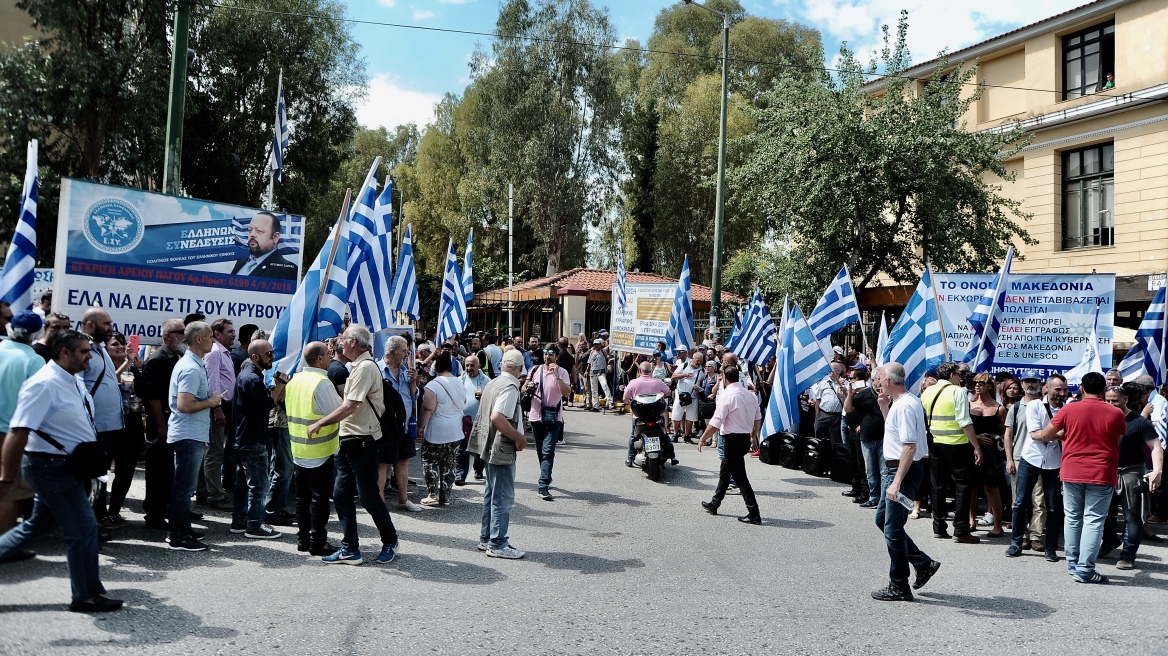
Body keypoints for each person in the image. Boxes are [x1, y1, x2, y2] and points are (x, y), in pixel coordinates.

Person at [0, 329, 124, 612]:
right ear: (63, 352)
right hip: (50, 467)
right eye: (83, 352)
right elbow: (18, 431)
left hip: (68, 466)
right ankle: (86, 596)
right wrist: (6, 477)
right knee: (82, 530)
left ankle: (89, 590)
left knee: (37, 526)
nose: (89, 357)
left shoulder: (72, 379)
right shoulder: (44, 383)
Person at [307, 325, 400, 565]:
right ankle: (350, 548)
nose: (339, 342)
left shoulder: (365, 367)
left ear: (353, 343)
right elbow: (347, 403)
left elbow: (350, 406)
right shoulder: (357, 367)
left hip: (363, 441)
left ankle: (390, 539)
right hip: (349, 440)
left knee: (368, 497)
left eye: (343, 338)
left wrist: (320, 423)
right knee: (340, 495)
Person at [1032, 372, 1125, 583]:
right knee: (1093, 520)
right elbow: (1117, 440)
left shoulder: (1069, 409)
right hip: (1101, 471)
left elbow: (1046, 434)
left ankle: (1073, 564)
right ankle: (1085, 568)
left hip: (1073, 470)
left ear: (1082, 388)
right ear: (1104, 390)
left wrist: (1067, 434)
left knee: (1073, 517)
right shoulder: (1116, 413)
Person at [871, 363, 940, 602]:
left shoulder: (906, 405)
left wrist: (897, 482)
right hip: (895, 470)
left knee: (892, 528)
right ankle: (922, 563)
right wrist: (884, 408)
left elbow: (909, 446)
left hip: (902, 472)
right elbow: (896, 434)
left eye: (880, 377)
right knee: (883, 520)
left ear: (888, 380)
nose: (878, 381)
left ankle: (899, 584)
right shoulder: (901, 404)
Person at [167, 322, 223, 552]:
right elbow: (184, 404)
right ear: (198, 339)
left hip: (192, 434)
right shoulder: (190, 367)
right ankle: (178, 536)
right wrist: (210, 402)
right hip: (188, 435)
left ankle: (183, 529)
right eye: (211, 337)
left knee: (185, 487)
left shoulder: (194, 364)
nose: (214, 340)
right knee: (183, 488)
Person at [467, 349, 528, 559]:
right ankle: (498, 543)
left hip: (488, 443)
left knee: (491, 494)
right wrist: (519, 437)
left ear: (502, 365)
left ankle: (487, 538)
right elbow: (497, 417)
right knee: (502, 497)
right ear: (520, 369)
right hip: (500, 447)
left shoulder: (493, 382)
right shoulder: (511, 386)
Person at [285, 342, 341, 557]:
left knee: (302, 498)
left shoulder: (294, 380)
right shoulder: (322, 382)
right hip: (320, 450)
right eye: (328, 354)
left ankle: (302, 539)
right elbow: (336, 411)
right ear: (319, 358)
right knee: (319, 498)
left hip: (299, 448)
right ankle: (318, 541)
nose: (330, 358)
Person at [1006, 374, 1068, 561]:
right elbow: (1035, 435)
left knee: (1053, 507)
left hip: (1054, 462)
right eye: (1057, 389)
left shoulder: (1068, 409)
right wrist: (1061, 435)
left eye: (1064, 390)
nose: (1061, 393)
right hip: (1030, 458)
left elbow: (1050, 434)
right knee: (1020, 502)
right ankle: (1016, 543)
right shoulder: (1035, 406)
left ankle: (1050, 548)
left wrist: (1052, 434)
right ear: (1047, 388)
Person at [1102, 383, 1163, 569]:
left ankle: (1127, 555)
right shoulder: (1102, 418)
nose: (1111, 404)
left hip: (1132, 472)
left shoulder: (1140, 422)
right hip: (1106, 470)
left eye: (1115, 401)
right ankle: (1111, 540)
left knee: (1132, 517)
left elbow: (1155, 447)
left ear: (1126, 399)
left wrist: (1157, 472)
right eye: (1107, 400)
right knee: (1097, 513)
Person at [921, 362, 983, 543]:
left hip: (936, 443)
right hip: (958, 444)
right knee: (963, 486)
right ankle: (961, 530)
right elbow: (964, 421)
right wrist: (976, 446)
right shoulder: (958, 391)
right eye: (958, 373)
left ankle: (939, 527)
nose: (961, 376)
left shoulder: (928, 391)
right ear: (951, 375)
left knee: (938, 486)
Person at [230, 339, 281, 540]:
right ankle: (254, 525)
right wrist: (278, 388)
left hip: (244, 437)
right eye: (268, 354)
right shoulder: (252, 378)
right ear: (254, 356)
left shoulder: (249, 376)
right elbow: (265, 405)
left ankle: (240, 521)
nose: (272, 357)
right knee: (258, 484)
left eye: (272, 353)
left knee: (243, 483)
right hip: (252, 438)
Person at [698, 365, 762, 524]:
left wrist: (702, 438)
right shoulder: (750, 395)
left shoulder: (727, 395)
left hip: (732, 440)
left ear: (725, 379)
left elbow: (716, 422)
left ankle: (754, 512)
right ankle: (715, 503)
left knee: (740, 478)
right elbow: (757, 417)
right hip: (743, 438)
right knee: (725, 473)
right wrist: (754, 435)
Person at [93, 331, 145, 530]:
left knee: (125, 471)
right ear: (105, 349)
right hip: (107, 426)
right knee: (102, 471)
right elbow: (109, 383)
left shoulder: (133, 367)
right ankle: (100, 514)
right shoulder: (103, 367)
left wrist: (138, 399)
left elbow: (142, 389)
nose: (121, 347)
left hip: (129, 425)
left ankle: (114, 511)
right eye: (115, 344)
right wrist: (127, 363)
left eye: (123, 344)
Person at [0, 311, 44, 538]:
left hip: (10, 431)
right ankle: (4, 545)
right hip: (12, 434)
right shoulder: (34, 360)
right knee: (11, 492)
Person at [141, 319, 185, 531]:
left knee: (170, 471)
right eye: (180, 332)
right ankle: (154, 513)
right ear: (167, 335)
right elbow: (153, 397)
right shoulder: (157, 360)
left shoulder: (179, 358)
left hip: (176, 422)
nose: (184, 336)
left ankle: (167, 508)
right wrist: (161, 425)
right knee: (158, 470)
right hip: (162, 422)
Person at [418, 351, 466, 507]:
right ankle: (445, 496)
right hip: (455, 429)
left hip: (437, 430)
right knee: (449, 463)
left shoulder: (433, 385)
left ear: (436, 366)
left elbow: (427, 409)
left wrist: (420, 426)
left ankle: (433, 494)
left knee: (429, 460)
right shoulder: (460, 382)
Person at [381, 335, 423, 512]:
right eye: (404, 351)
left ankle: (403, 500)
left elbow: (413, 398)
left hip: (404, 425)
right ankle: (379, 502)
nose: (407, 355)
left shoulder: (407, 371)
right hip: (385, 426)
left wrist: (414, 383)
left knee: (403, 461)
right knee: (382, 463)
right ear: (392, 352)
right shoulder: (377, 370)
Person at [1003, 376, 1046, 552]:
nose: (1030, 384)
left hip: (1042, 459)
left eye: (1034, 381)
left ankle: (1035, 536)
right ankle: (1021, 536)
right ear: (1022, 384)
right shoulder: (1016, 407)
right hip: (1020, 458)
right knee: (1019, 502)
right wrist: (1009, 459)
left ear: (1040, 384)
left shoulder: (1045, 406)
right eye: (1027, 381)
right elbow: (1008, 434)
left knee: (1039, 500)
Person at [525, 344, 571, 501]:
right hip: (535, 416)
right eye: (545, 353)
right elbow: (524, 387)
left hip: (553, 417)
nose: (547, 357)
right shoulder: (535, 370)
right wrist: (527, 386)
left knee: (548, 451)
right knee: (540, 451)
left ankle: (543, 485)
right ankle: (546, 475)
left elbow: (566, 393)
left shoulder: (563, 372)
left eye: (551, 354)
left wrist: (557, 374)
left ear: (557, 356)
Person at [199, 319, 236, 511]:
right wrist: (217, 408)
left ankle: (204, 490)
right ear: (217, 334)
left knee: (213, 450)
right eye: (229, 331)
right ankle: (215, 495)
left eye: (233, 331)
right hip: (218, 407)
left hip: (226, 406)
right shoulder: (214, 353)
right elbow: (212, 382)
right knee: (214, 451)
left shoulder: (224, 352)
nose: (233, 334)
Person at [969, 372, 1006, 537]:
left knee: (992, 488)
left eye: (981, 383)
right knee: (971, 487)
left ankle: (998, 525)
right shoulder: (968, 405)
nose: (977, 385)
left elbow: (1006, 433)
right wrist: (976, 438)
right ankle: (971, 520)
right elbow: (962, 427)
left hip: (992, 454)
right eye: (975, 382)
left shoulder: (999, 408)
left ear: (989, 386)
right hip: (971, 449)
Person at [845, 363, 884, 509]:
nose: (881, 381)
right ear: (873, 380)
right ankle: (873, 498)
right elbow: (848, 409)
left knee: (883, 471)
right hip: (866, 439)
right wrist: (850, 394)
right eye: (879, 379)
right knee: (870, 471)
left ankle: (883, 500)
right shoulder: (864, 394)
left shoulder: (888, 394)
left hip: (883, 438)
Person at [622, 361, 671, 467]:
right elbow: (668, 392)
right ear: (651, 371)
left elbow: (625, 399)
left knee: (633, 436)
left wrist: (632, 403)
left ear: (640, 371)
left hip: (639, 416)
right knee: (664, 433)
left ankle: (630, 459)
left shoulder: (633, 383)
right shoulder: (657, 382)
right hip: (656, 415)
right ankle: (673, 455)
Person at [229, 212, 298, 280]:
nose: (252, 234)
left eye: (259, 231)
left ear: (275, 237)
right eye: (250, 230)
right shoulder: (241, 261)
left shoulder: (287, 269)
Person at [456, 354, 490, 484]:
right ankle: (460, 475)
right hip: (464, 420)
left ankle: (478, 469)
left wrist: (484, 396)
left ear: (479, 366)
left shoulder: (486, 380)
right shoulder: (460, 380)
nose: (469, 368)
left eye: (472, 365)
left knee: (480, 447)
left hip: (480, 419)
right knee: (462, 448)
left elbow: (492, 399)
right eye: (467, 365)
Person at [842, 363, 871, 502]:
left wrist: (862, 425)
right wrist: (849, 393)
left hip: (862, 432)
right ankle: (856, 487)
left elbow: (870, 414)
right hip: (851, 431)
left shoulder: (868, 394)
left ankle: (865, 491)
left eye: (853, 378)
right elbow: (848, 408)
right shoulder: (854, 394)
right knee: (853, 459)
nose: (850, 380)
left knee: (861, 462)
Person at [811, 364, 846, 480]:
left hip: (836, 416)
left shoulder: (843, 384)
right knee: (819, 440)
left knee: (835, 443)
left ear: (839, 371)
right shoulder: (824, 383)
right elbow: (818, 400)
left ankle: (834, 467)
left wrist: (844, 391)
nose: (831, 371)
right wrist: (817, 415)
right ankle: (818, 465)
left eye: (835, 369)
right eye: (830, 369)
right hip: (823, 414)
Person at [670, 352, 702, 444]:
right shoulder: (684, 366)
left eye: (700, 361)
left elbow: (702, 382)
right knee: (676, 415)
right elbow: (673, 376)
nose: (699, 362)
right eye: (697, 360)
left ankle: (687, 435)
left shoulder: (702, 370)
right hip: (681, 396)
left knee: (690, 417)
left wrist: (699, 389)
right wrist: (684, 375)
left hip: (693, 397)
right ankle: (675, 434)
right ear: (693, 359)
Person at [586, 339, 611, 412]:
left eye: (597, 344)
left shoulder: (603, 351)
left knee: (604, 385)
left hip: (601, 372)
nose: (596, 346)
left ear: (600, 344)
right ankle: (595, 406)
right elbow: (589, 363)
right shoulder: (592, 352)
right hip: (593, 373)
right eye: (594, 344)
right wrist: (587, 371)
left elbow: (608, 354)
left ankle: (610, 402)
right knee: (594, 390)